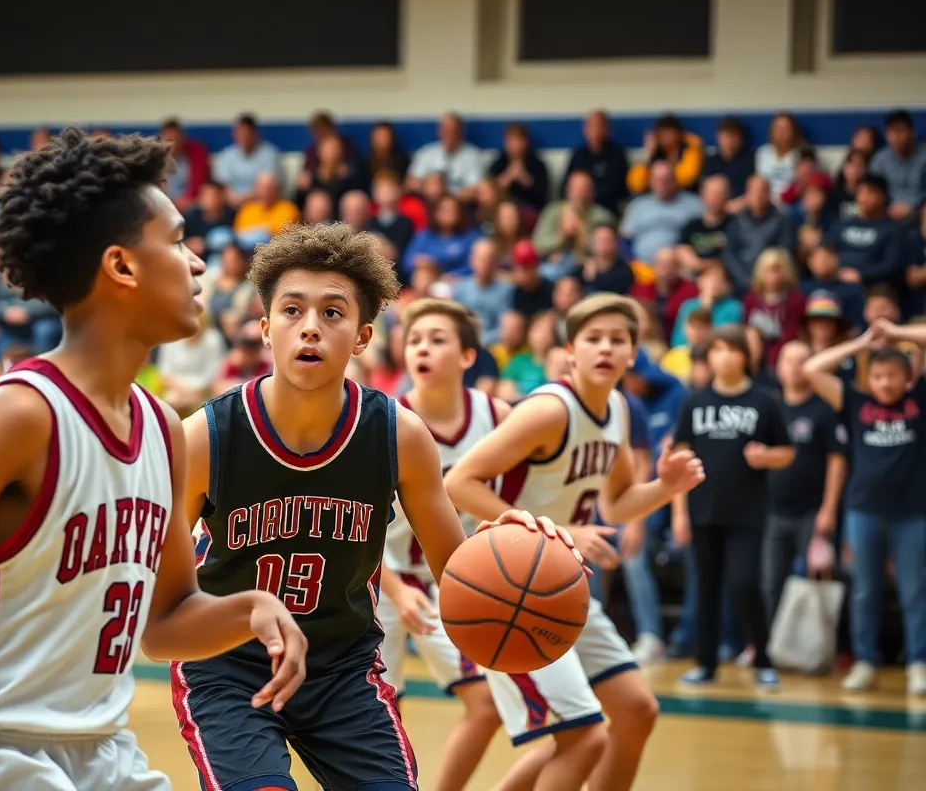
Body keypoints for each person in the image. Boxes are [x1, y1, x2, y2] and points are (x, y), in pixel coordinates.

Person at [0, 130, 310, 791]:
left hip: (105, 753)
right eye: (178, 241)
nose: (198, 264)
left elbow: (166, 620)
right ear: (121, 266)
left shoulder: (162, 429)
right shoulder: (20, 415)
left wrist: (252, 609)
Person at [177, 223, 576, 791]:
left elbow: (456, 573)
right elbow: (163, 591)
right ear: (265, 329)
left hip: (342, 670)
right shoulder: (207, 436)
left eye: (332, 313)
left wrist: (507, 551)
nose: (310, 326)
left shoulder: (398, 435)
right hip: (229, 669)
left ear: (363, 337)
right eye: (291, 310)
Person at [446, 293, 705, 791]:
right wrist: (557, 535)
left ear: (634, 353)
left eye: (617, 340)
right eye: (593, 338)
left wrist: (665, 488)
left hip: (558, 585)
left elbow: (618, 503)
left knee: (636, 710)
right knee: (584, 739)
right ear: (570, 351)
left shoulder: (619, 409)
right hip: (507, 591)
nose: (605, 348)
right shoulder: (549, 410)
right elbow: (460, 481)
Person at [379, 299, 513, 791]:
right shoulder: (384, 419)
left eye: (437, 340)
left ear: (468, 356)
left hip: (452, 578)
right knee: (375, 715)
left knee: (486, 704)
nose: (422, 349)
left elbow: (515, 499)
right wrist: (396, 591)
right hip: (376, 577)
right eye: (414, 340)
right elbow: (356, 523)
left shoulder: (497, 416)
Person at [803, 320, 926, 696]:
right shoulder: (855, 403)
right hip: (863, 511)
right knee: (864, 592)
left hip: (912, 513)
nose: (885, 383)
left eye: (892, 376)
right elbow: (812, 369)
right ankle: (865, 661)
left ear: (907, 378)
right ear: (868, 379)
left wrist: (897, 333)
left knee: (914, 592)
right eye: (878, 376)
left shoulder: (919, 401)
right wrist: (861, 343)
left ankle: (918, 663)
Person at [671, 324, 795, 689]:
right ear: (708, 357)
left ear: (746, 356)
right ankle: (706, 663)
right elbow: (679, 458)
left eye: (732, 349)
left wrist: (766, 457)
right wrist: (679, 512)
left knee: (746, 583)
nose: (724, 357)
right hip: (702, 510)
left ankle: (762, 659)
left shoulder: (764, 401)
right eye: (717, 350)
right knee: (706, 587)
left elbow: (787, 452)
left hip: (748, 513)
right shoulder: (694, 402)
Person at [762, 341, 846, 620]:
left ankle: (816, 644)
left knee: (816, 581)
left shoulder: (823, 410)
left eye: (802, 361)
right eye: (788, 360)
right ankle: (772, 642)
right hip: (772, 512)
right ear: (778, 367)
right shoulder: (769, 408)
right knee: (771, 584)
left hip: (812, 512)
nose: (795, 367)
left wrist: (829, 508)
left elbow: (837, 461)